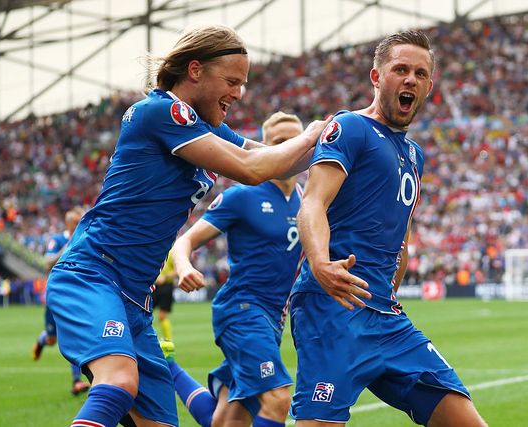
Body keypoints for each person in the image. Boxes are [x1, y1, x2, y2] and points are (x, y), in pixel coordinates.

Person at [45, 24, 329, 427]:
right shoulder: (163, 111)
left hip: (134, 297)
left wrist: (333, 142)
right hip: (94, 274)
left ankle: (172, 371)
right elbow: (252, 168)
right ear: (195, 70)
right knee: (120, 381)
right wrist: (313, 135)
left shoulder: (204, 126)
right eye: (232, 81)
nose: (239, 93)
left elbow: (271, 158)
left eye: (243, 84)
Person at [290, 30, 487, 427]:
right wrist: (320, 264)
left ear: (429, 85)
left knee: (465, 419)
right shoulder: (350, 128)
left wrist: (392, 289)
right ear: (377, 77)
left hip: (386, 315)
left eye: (420, 73)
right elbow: (313, 202)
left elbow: (403, 235)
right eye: (400, 69)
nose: (410, 79)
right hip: (335, 305)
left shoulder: (415, 154)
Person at [163, 111, 304, 427]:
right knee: (278, 397)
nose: (290, 147)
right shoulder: (242, 195)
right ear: (264, 148)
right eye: (280, 142)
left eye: (297, 140)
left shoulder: (306, 200)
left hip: (271, 320)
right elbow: (184, 242)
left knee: (227, 419)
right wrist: (184, 267)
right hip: (241, 311)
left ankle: (167, 367)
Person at [32, 207, 90, 396]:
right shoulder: (57, 240)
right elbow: (47, 261)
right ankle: (42, 341)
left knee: (75, 334)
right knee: (52, 339)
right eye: (76, 222)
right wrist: (68, 247)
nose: (80, 225)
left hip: (77, 294)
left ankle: (77, 382)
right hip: (56, 294)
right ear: (68, 224)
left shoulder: (86, 238)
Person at [153, 250, 176, 342]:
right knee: (145, 313)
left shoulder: (172, 253)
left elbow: (176, 271)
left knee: (162, 316)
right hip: (152, 285)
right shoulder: (154, 250)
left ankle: (168, 341)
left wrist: (165, 277)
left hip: (166, 286)